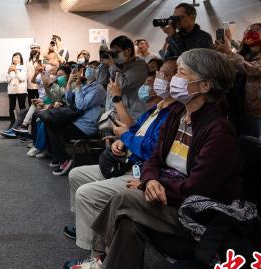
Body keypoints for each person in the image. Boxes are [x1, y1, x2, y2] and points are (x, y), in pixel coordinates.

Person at [66, 49, 242, 269]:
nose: (173, 80)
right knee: (129, 219)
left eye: (182, 73)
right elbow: (155, 159)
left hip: (197, 214)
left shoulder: (218, 130)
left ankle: (105, 266)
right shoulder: (176, 115)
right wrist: (149, 180)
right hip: (166, 197)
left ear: (205, 86)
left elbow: (199, 188)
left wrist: (153, 184)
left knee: (127, 199)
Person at [65, 59, 178, 251]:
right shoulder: (155, 110)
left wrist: (124, 136)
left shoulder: (173, 114)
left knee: (87, 193)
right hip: (128, 162)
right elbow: (132, 130)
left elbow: (149, 148)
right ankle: (86, 225)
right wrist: (121, 141)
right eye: (157, 76)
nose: (156, 81)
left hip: (138, 172)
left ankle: (99, 255)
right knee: (76, 174)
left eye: (163, 76)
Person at [214, 23, 261, 137]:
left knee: (253, 143)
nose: (250, 32)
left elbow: (253, 69)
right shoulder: (242, 55)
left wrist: (229, 52)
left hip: (254, 111)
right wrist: (221, 52)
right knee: (235, 140)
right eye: (248, 30)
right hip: (235, 107)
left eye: (255, 30)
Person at [46, 61, 107, 176]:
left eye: (93, 68)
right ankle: (59, 156)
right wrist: (69, 83)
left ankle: (65, 159)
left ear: (98, 72)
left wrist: (78, 87)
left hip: (87, 126)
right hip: (78, 121)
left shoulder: (98, 89)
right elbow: (70, 101)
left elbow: (81, 105)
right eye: (88, 67)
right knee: (50, 123)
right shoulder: (84, 85)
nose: (89, 69)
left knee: (55, 128)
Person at [105, 35, 149, 123]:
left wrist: (111, 65)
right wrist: (104, 60)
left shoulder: (140, 66)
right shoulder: (118, 66)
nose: (114, 56)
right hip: (116, 116)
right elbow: (101, 80)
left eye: (116, 52)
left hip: (133, 117)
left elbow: (120, 85)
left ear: (128, 51)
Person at [1, 52, 27, 137]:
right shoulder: (10, 67)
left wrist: (15, 70)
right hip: (12, 90)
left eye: (17, 57)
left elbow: (22, 78)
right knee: (11, 108)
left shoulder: (23, 67)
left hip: (21, 90)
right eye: (14, 57)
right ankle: (12, 123)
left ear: (20, 59)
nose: (15, 59)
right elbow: (8, 80)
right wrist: (8, 72)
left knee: (22, 107)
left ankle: (20, 125)